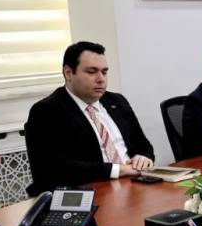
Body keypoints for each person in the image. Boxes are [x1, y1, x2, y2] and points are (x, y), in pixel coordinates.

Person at [24, 41, 154, 195]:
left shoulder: (117, 101)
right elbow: (54, 169)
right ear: (68, 73)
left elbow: (143, 144)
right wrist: (118, 170)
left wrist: (144, 157)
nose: (101, 79)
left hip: (135, 185)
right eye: (92, 72)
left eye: (104, 72)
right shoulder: (47, 111)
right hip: (91, 193)